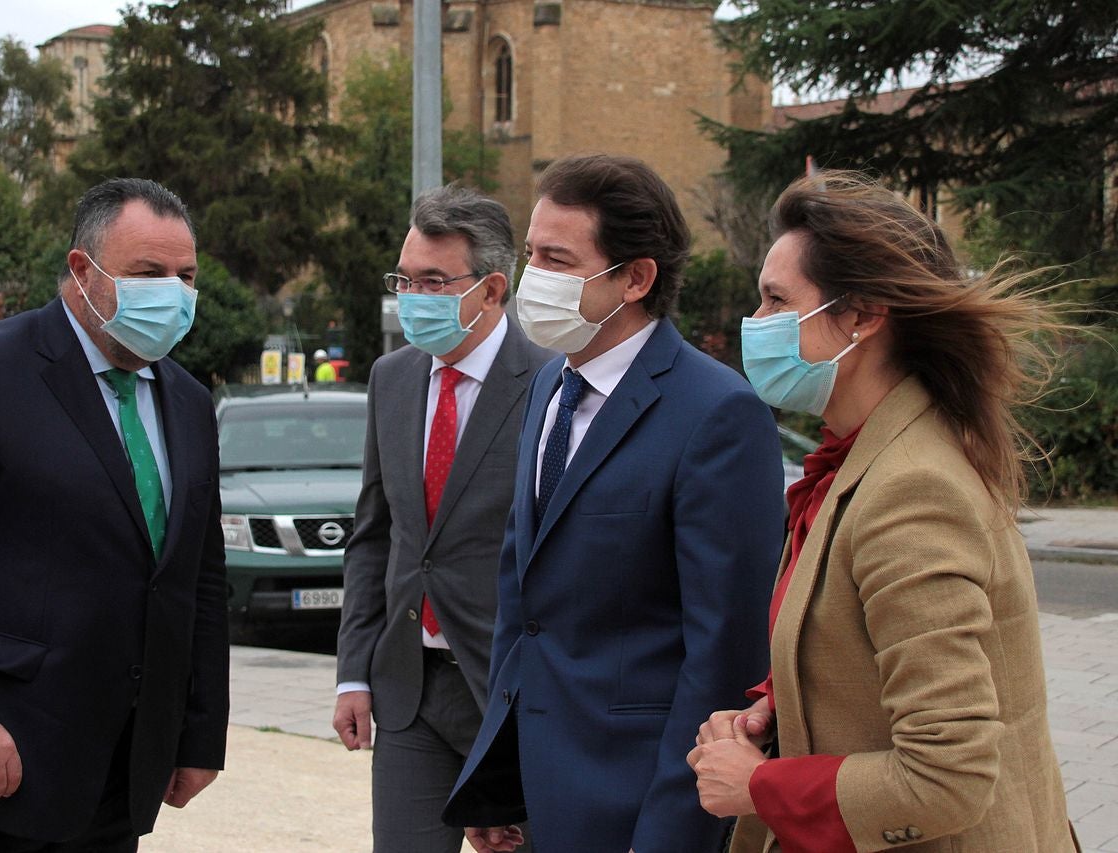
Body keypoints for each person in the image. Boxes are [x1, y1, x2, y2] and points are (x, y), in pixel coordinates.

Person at [687, 170, 1080, 852]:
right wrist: (781, 709)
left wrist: (759, 787)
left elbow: (948, 772)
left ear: (863, 316)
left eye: (778, 300)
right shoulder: (864, 458)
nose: (755, 326)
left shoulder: (910, 491)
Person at [0, 178, 229, 851]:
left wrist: (198, 731)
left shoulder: (188, 399)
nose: (172, 292)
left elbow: (196, 577)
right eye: (148, 272)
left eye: (186, 275)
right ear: (82, 271)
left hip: (113, 774)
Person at [442, 154, 785, 852]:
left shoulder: (719, 413)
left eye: (557, 258)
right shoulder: (547, 388)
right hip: (540, 793)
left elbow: (724, 654)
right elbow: (523, 598)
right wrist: (496, 777)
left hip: (638, 805)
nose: (533, 275)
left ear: (635, 277)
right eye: (531, 252)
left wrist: (671, 832)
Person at [334, 184, 553, 852]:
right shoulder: (391, 378)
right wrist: (352, 670)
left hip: (514, 694)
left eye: (433, 280)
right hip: (408, 688)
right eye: (405, 278)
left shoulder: (551, 383)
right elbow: (376, 535)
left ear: (491, 289)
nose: (413, 296)